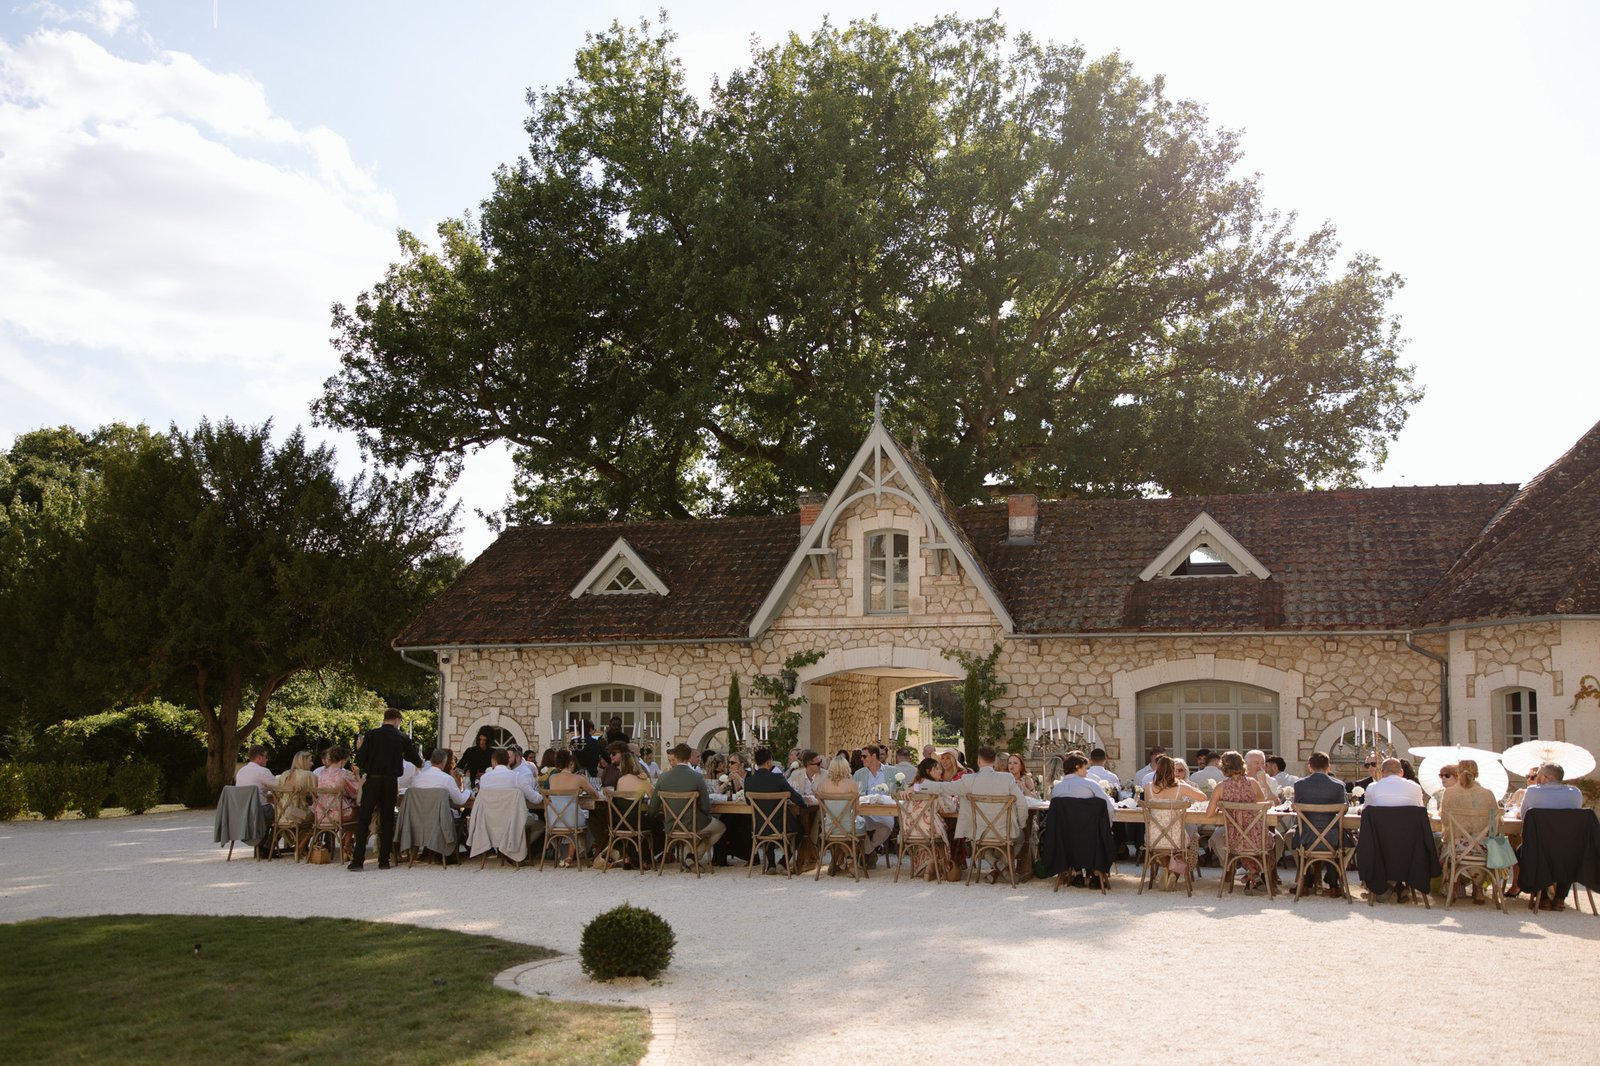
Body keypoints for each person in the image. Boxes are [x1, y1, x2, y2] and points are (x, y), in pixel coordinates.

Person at [348, 709, 424, 871]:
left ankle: (357, 860)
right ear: (397, 720)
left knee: (364, 819)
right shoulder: (402, 737)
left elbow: (360, 760)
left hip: (373, 780)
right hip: (390, 782)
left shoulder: (371, 735)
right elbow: (415, 759)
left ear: (384, 719)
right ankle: (384, 861)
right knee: (388, 820)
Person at [921, 745, 1034, 847]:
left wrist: (918, 787)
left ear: (979, 761)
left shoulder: (968, 780)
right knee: (1022, 837)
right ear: (994, 762)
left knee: (979, 843)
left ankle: (998, 865)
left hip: (978, 833)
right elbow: (1022, 805)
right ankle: (1003, 865)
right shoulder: (1008, 779)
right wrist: (1020, 823)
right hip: (1005, 832)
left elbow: (943, 787)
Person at [647, 743, 725, 867]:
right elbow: (706, 807)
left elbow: (654, 806)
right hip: (693, 823)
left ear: (675, 757)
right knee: (720, 827)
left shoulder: (663, 777)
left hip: (671, 824)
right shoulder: (697, 777)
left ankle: (689, 857)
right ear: (689, 757)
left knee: (692, 828)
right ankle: (693, 857)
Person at [1206, 750, 1276, 884]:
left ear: (1224, 767)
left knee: (1228, 839)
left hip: (1234, 839)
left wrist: (1225, 809)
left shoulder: (1221, 787)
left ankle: (1251, 873)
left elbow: (1209, 814)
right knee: (1273, 839)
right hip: (1257, 837)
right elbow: (1263, 806)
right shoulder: (1253, 783)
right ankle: (1260, 874)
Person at [1436, 758, 1497, 904]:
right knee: (1482, 843)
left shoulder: (1449, 793)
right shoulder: (1488, 794)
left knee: (1444, 843)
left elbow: (1444, 821)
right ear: (1476, 773)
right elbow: (1495, 825)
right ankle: (1478, 889)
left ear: (1457, 772)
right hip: (1483, 849)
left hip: (1458, 848)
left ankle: (1454, 885)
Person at [1291, 751, 1350, 896]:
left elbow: (1297, 808)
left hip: (1306, 838)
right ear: (1328, 767)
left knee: (1292, 836)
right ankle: (1334, 884)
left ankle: (1304, 882)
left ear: (1309, 767)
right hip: (1333, 838)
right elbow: (1345, 811)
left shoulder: (1300, 785)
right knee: (1348, 844)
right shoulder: (1338, 786)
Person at [745, 747, 807, 870]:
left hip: (760, 826)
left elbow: (748, 802)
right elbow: (796, 798)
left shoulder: (749, 781)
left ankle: (771, 865)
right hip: (780, 825)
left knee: (768, 824)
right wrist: (805, 804)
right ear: (769, 762)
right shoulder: (777, 778)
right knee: (801, 829)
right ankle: (783, 862)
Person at [476, 747, 545, 855]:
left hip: (490, 821)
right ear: (507, 760)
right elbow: (535, 799)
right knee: (541, 824)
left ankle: (502, 849)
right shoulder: (516, 777)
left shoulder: (484, 779)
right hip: (512, 822)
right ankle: (513, 850)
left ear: (493, 761)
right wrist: (542, 795)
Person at [545, 748, 603, 867]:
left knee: (572, 817)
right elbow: (595, 795)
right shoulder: (578, 778)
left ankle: (569, 856)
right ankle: (576, 855)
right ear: (571, 763)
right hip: (572, 820)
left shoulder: (552, 778)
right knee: (589, 821)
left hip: (553, 819)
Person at [850, 745, 896, 864]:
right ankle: (870, 851)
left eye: (864, 756)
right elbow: (855, 794)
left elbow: (900, 791)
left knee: (886, 828)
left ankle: (867, 851)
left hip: (885, 812)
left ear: (874, 756)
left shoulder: (892, 772)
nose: (862, 759)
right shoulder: (859, 774)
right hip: (864, 813)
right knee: (856, 825)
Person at [1049, 751, 1116, 822]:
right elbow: (1109, 807)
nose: (1087, 772)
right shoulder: (1091, 784)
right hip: (1090, 829)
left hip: (1064, 830)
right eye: (1085, 768)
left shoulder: (1057, 788)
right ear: (1077, 767)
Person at [274, 750, 318, 827]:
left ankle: (294, 839)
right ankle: (303, 839)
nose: (312, 763)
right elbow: (317, 794)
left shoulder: (284, 774)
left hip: (281, 816)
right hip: (297, 815)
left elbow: (278, 794)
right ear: (303, 762)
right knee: (320, 817)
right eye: (310, 760)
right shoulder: (308, 775)